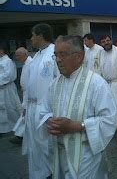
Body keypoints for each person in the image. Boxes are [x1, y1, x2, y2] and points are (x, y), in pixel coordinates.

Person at [40, 35, 117, 178]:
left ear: (79, 56)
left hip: (86, 155)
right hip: (59, 152)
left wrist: (77, 126)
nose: (58, 60)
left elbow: (109, 120)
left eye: (63, 54)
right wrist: (50, 121)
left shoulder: (96, 83)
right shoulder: (54, 84)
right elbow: (44, 111)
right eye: (56, 55)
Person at [24, 23, 59, 179]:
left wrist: (56, 109)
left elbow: (59, 82)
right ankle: (39, 174)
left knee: (47, 145)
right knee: (35, 145)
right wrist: (25, 105)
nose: (31, 38)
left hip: (46, 108)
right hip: (32, 107)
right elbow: (29, 83)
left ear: (41, 35)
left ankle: (52, 173)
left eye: (33, 35)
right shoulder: (37, 55)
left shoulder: (54, 54)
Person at [95, 35, 117, 129]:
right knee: (109, 106)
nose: (106, 43)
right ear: (101, 43)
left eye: (108, 40)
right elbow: (99, 68)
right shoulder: (101, 53)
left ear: (111, 41)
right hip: (106, 83)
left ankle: (113, 127)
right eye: (104, 41)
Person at [10, 47, 32, 144]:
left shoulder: (30, 64)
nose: (17, 57)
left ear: (25, 54)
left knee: (25, 116)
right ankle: (20, 135)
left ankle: (20, 136)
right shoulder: (26, 64)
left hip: (29, 94)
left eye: (19, 55)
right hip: (25, 93)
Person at [0, 42, 22, 135]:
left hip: (7, 89)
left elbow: (8, 76)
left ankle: (18, 129)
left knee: (11, 108)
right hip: (2, 88)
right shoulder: (1, 60)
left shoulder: (7, 61)